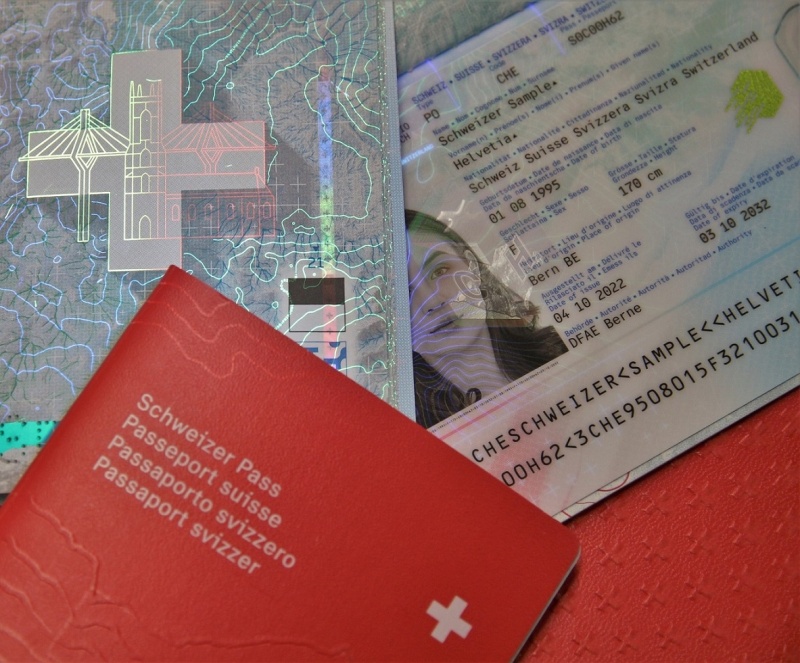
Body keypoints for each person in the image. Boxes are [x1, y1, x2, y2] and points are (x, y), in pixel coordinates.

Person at [406, 209, 568, 428]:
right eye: (403, 294)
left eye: (440, 270)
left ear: (473, 267)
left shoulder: (560, 352)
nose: (432, 302)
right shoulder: (414, 430)